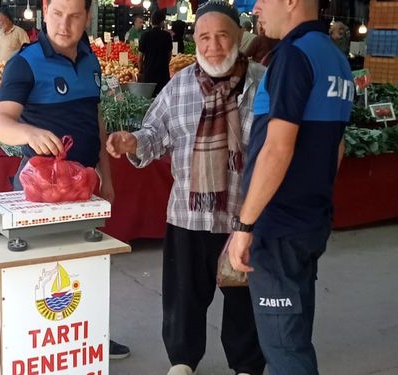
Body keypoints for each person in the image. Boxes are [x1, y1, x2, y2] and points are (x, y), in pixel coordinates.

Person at [106, 2, 267, 375]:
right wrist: (132, 141)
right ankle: (183, 361)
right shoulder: (179, 86)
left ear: (239, 37)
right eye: (204, 38)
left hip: (244, 215)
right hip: (188, 214)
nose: (213, 46)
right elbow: (154, 134)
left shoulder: (263, 83)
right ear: (194, 42)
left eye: (222, 36)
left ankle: (246, 364)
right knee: (183, 297)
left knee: (244, 297)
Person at [0, 0, 131, 361]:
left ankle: (93, 336)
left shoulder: (91, 61)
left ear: (87, 18)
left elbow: (95, 120)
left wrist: (106, 177)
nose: (64, 25)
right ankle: (31, 348)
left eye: (74, 16)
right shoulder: (25, 62)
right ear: (44, 11)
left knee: (87, 266)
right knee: (40, 270)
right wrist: (28, 131)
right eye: (57, 14)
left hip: (83, 188)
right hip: (39, 190)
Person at [227, 0, 353, 373]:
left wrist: (245, 226)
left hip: (279, 228)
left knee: (284, 349)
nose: (258, 8)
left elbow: (277, 148)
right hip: (309, 222)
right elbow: (338, 147)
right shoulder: (335, 58)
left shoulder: (293, 56)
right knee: (294, 336)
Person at [138, 9, 172, 96]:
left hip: (149, 74)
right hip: (163, 74)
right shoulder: (167, 36)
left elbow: (140, 58)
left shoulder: (145, 35)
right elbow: (169, 56)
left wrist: (141, 70)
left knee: (148, 100)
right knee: (162, 99)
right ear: (162, 22)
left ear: (151, 21)